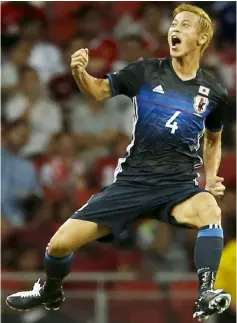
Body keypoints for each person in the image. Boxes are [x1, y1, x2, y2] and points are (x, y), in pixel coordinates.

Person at [6, 4, 231, 321]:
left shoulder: (215, 92)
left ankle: (206, 291)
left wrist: (210, 176)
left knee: (209, 208)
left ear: (203, 37)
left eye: (185, 25)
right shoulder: (145, 71)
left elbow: (213, 138)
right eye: (174, 24)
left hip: (177, 187)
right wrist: (80, 74)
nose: (175, 30)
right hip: (131, 185)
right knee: (58, 246)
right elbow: (99, 91)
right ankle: (50, 289)